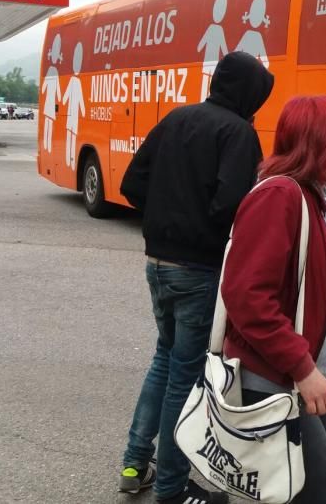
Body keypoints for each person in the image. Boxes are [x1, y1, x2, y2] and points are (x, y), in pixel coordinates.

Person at [117, 51, 274, 504]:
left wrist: (166, 218)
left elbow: (133, 183)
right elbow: (234, 205)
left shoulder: (176, 118)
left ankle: (134, 464)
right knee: (184, 376)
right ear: (247, 92)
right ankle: (170, 488)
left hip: (157, 264)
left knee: (164, 361)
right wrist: (203, 231)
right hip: (200, 270)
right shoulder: (238, 133)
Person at [221, 95, 326, 504]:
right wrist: (302, 369)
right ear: (324, 140)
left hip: (317, 377)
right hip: (279, 384)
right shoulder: (279, 196)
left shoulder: (322, 198)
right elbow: (247, 296)